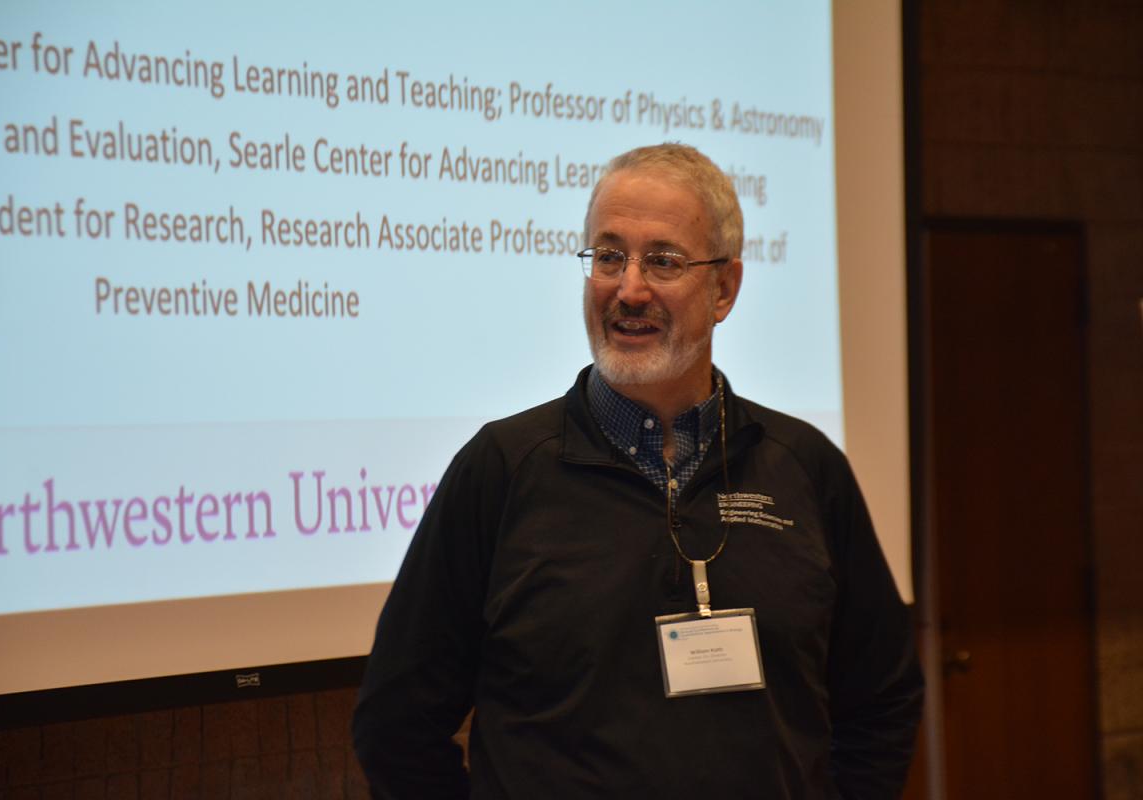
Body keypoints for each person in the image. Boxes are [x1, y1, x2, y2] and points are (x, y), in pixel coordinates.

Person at [352, 143, 922, 799]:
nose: (628, 289)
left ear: (725, 288)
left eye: (663, 261)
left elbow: (882, 699)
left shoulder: (805, 467)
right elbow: (395, 728)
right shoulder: (503, 470)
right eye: (608, 256)